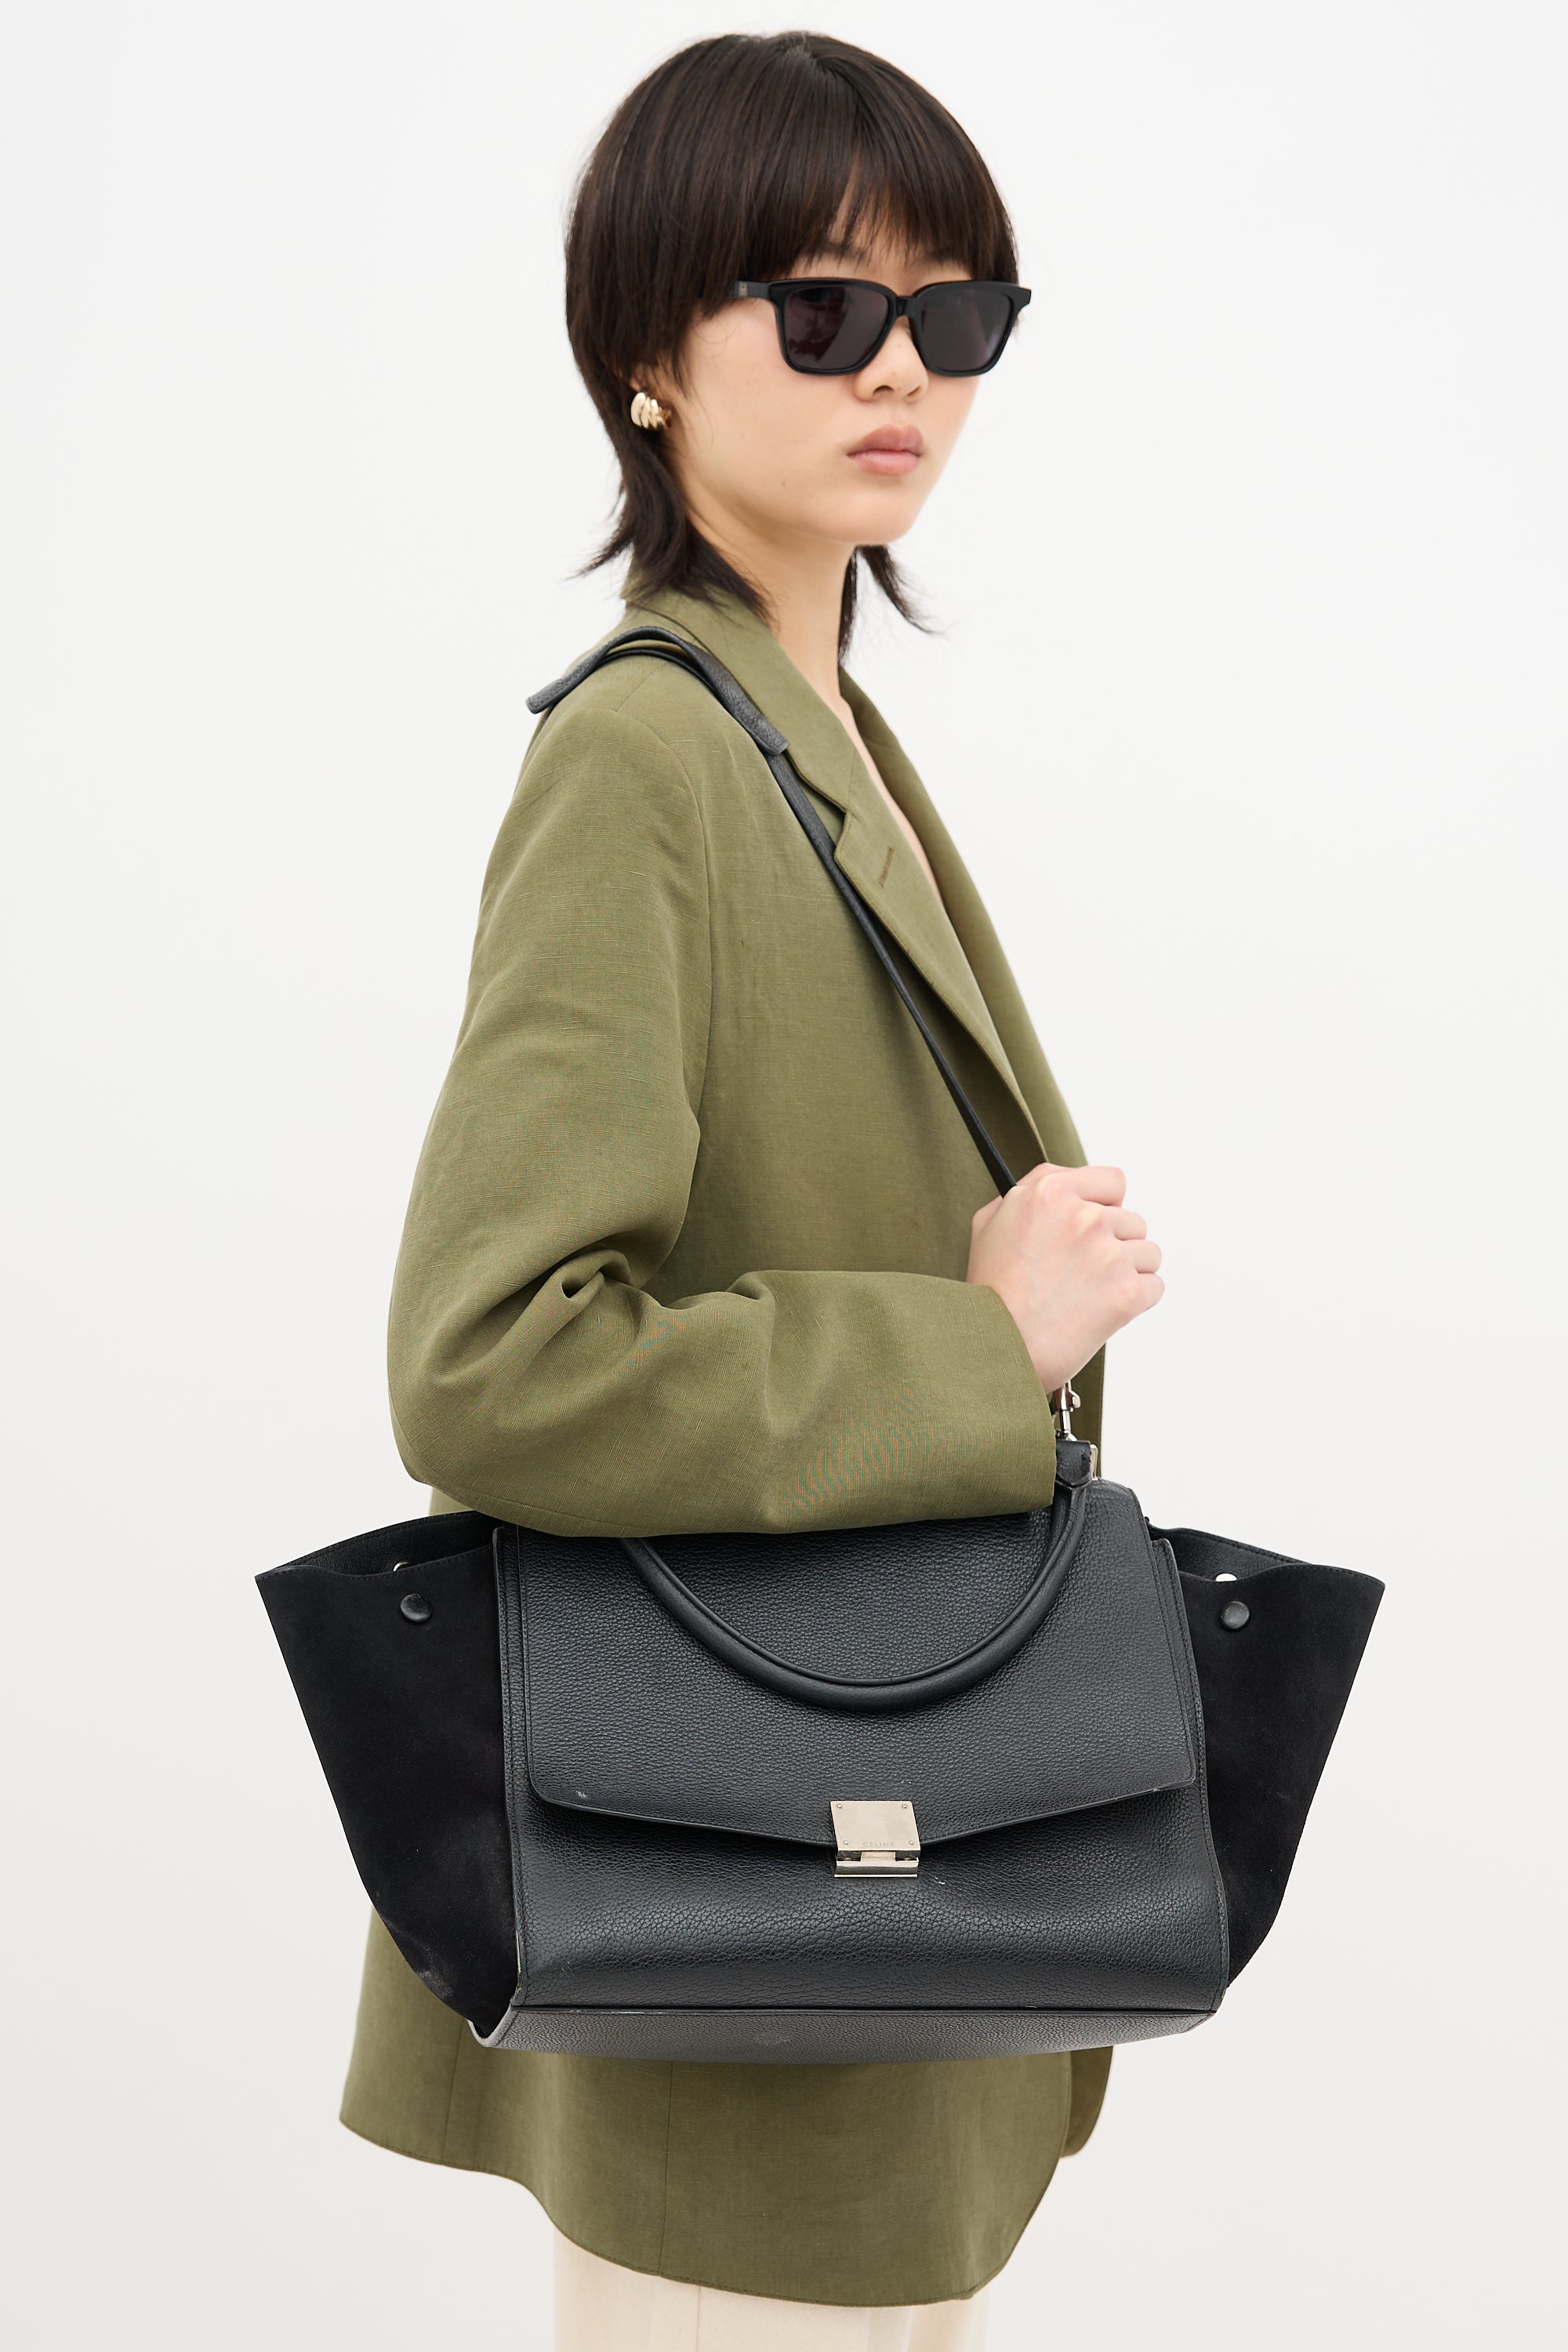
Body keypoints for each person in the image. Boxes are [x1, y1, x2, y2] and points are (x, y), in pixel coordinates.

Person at [340, 31, 1164, 2350]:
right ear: (646, 359)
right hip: (745, 1907)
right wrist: (976, 1349)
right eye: (822, 310)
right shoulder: (647, 755)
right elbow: (493, 1366)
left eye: (955, 313)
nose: (899, 369)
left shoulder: (819, 739)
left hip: (851, 1874)